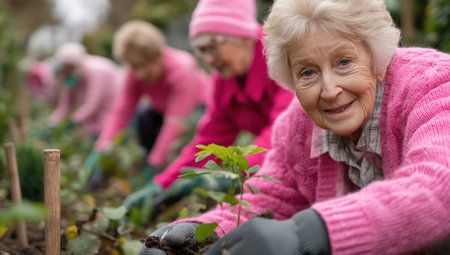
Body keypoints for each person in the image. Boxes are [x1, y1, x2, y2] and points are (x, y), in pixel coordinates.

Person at [141, 0, 450, 254]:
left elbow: (438, 184)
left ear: (377, 57)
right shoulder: (298, 124)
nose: (329, 91)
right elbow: (270, 198)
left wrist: (313, 232)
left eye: (344, 62)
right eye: (308, 72)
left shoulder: (433, 84)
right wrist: (197, 233)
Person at [123, 0, 295, 221]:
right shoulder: (224, 80)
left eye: (211, 48)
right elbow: (207, 141)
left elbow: (283, 130)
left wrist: (231, 175)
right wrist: (162, 184)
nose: (207, 59)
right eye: (200, 51)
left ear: (242, 37)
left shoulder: (281, 54)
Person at [85, 20, 211, 185]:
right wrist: (102, 147)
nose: (139, 74)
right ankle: (151, 164)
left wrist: (155, 163)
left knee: (192, 139)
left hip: (198, 109)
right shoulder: (134, 74)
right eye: (134, 67)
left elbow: (175, 124)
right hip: (163, 109)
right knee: (144, 117)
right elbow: (121, 111)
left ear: (158, 55)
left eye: (144, 65)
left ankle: (179, 175)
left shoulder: (181, 68)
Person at [47, 42, 120, 137]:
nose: (66, 74)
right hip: (94, 124)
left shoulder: (97, 71)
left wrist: (73, 121)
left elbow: (92, 104)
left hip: (110, 116)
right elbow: (65, 105)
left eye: (68, 69)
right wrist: (53, 122)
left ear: (75, 65)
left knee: (106, 142)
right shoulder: (73, 77)